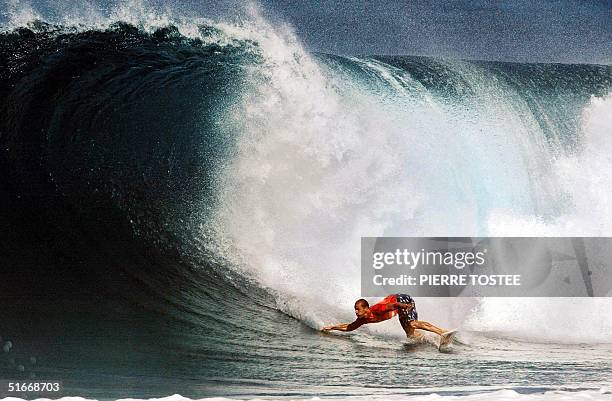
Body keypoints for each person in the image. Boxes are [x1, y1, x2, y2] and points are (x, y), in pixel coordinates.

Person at [321, 294, 454, 346]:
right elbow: (349, 327)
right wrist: (331, 328)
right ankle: (433, 339)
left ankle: (443, 332)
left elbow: (392, 305)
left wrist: (405, 306)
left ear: (366, 308)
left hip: (402, 301)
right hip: (399, 307)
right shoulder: (362, 319)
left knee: (412, 323)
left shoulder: (377, 309)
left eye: (358, 309)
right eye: (355, 309)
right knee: (411, 335)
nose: (356, 312)